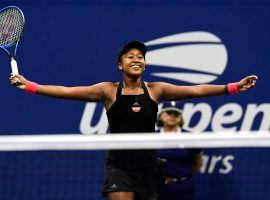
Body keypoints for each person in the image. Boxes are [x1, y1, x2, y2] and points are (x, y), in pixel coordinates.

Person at [9, 40, 258, 200]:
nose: (136, 59)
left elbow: (197, 91)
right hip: (119, 166)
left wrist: (233, 87)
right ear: (120, 65)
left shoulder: (156, 90)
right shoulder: (107, 91)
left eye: (140, 56)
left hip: (148, 166)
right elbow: (67, 91)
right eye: (130, 56)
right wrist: (30, 86)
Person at [156, 101, 203, 200]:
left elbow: (198, 162)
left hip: (183, 188)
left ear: (181, 117)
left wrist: (182, 177)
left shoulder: (190, 137)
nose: (172, 116)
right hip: (155, 188)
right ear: (160, 116)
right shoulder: (150, 137)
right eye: (169, 113)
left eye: (176, 114)